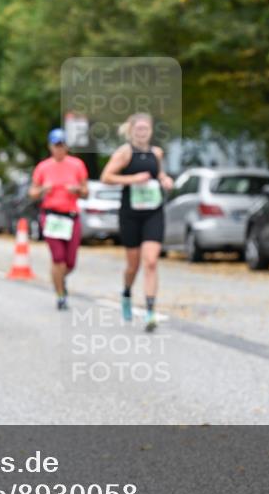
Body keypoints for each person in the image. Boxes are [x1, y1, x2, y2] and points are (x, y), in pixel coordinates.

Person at [100, 113, 174, 332]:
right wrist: (132, 179)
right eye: (138, 129)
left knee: (151, 261)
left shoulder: (156, 153)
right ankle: (126, 293)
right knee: (133, 265)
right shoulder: (124, 153)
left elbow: (159, 174)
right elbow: (106, 177)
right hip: (130, 213)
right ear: (131, 130)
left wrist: (165, 180)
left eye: (146, 129)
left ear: (151, 131)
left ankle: (150, 311)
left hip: (153, 211)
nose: (142, 133)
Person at [29, 128, 89, 310]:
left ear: (66, 147)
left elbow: (86, 192)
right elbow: (32, 193)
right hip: (52, 217)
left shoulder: (77, 165)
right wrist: (42, 190)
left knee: (70, 262)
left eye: (62, 145)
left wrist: (77, 189)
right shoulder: (43, 167)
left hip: (71, 217)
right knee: (58, 258)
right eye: (56, 146)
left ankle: (60, 280)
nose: (59, 149)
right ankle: (61, 295)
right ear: (50, 147)